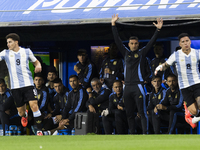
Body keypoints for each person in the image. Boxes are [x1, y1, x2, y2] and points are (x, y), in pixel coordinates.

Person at [111, 14, 163, 134]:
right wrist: (113, 25)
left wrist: (158, 29)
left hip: (138, 86)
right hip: (127, 87)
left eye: (136, 43)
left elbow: (151, 42)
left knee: (142, 112)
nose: (134, 45)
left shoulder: (141, 53)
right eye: (132, 43)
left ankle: (145, 133)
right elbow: (117, 40)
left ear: (138, 44)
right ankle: (132, 135)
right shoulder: (125, 53)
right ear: (128, 44)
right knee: (129, 113)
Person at [0, 33, 43, 135]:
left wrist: (39, 65)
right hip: (15, 87)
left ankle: (40, 131)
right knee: (21, 112)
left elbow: (36, 62)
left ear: (16, 42)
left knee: (34, 106)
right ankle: (24, 116)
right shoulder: (5, 53)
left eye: (10, 42)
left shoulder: (27, 52)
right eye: (7, 42)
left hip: (28, 84)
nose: (8, 44)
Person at [155, 33, 200, 128]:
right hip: (184, 87)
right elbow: (166, 64)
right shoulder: (176, 55)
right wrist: (159, 67)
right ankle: (191, 113)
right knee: (195, 111)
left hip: (197, 83)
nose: (185, 43)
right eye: (183, 42)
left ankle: (196, 117)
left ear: (190, 42)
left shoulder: (197, 53)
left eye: (187, 41)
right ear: (180, 44)